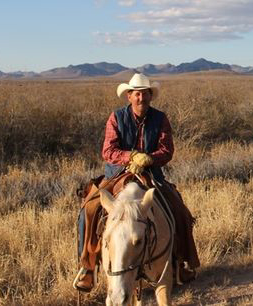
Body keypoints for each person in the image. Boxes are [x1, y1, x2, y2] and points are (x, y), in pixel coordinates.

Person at [73, 73, 200, 292]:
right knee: (89, 209)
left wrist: (150, 159)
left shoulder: (160, 119)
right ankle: (88, 267)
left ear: (151, 96)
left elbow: (167, 150)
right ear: (129, 96)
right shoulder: (116, 117)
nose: (141, 98)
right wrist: (131, 157)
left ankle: (180, 263)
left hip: (150, 174)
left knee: (180, 211)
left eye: (145, 94)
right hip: (117, 175)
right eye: (137, 94)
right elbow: (108, 150)